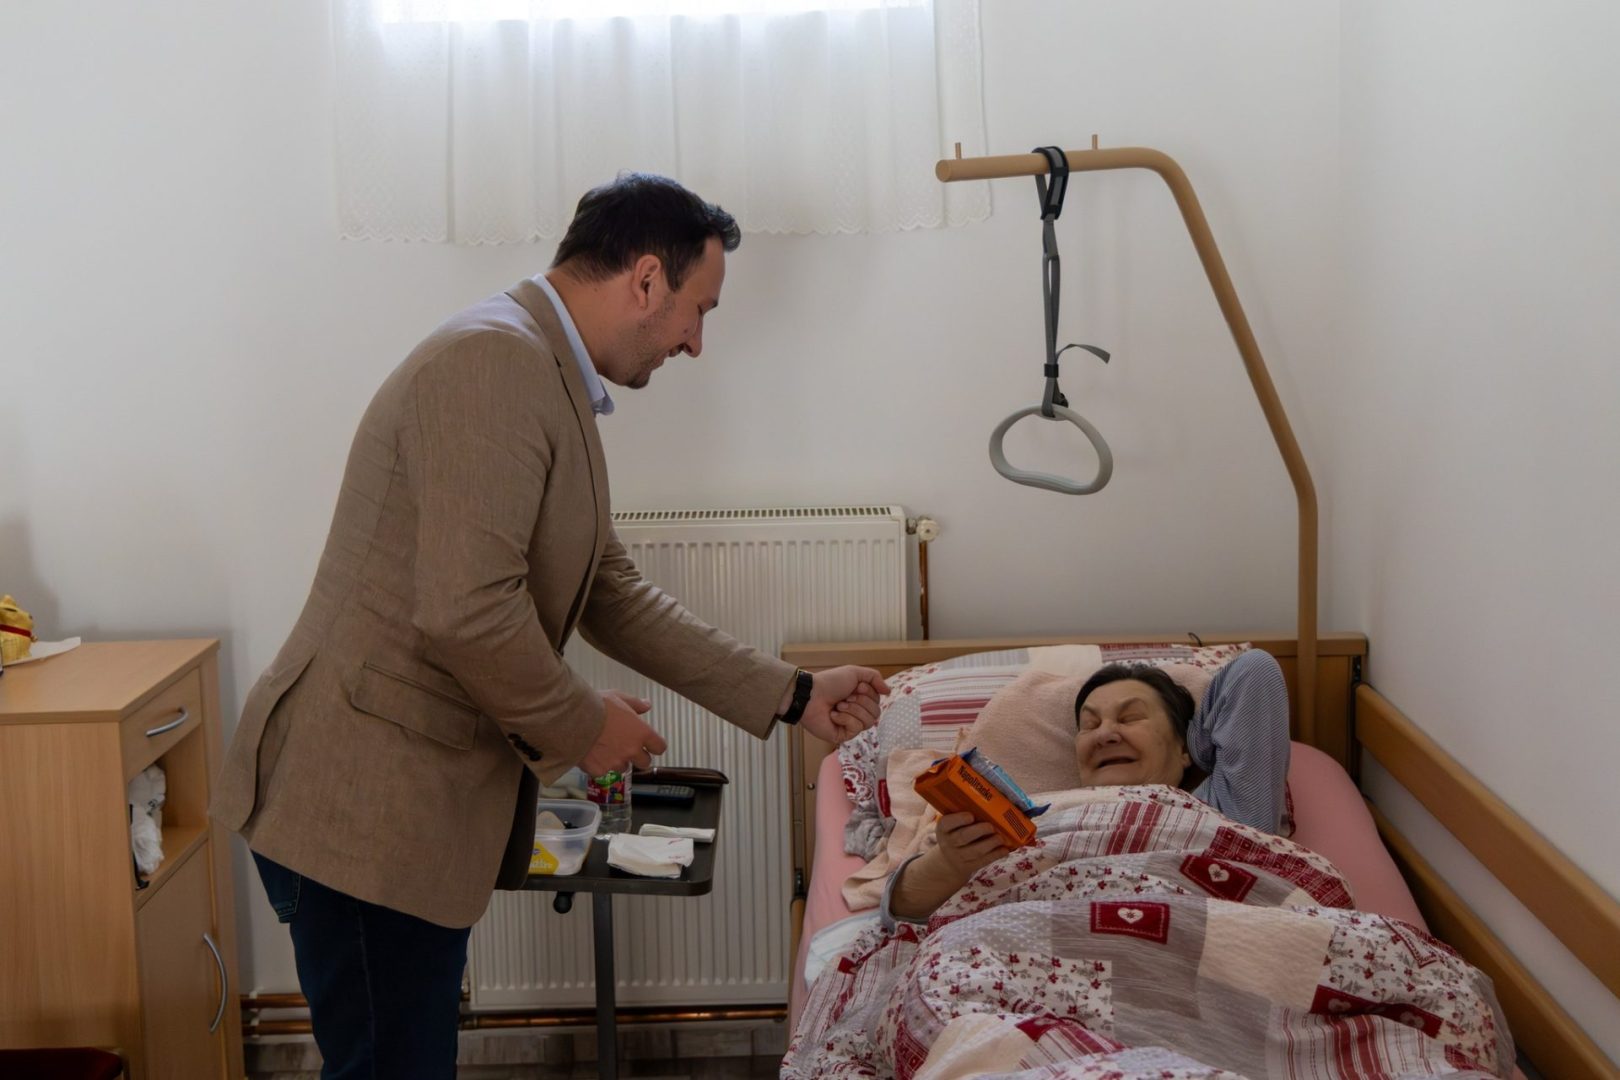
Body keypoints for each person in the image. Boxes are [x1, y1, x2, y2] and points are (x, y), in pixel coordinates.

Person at [210, 173, 889, 1079]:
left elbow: (611, 589)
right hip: (360, 807)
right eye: (699, 309)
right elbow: (466, 611)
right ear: (645, 280)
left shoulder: (542, 368)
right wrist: (582, 723)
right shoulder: (492, 365)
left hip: (398, 808)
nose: (696, 342)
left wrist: (793, 694)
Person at [884, 650, 1289, 925]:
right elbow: (899, 911)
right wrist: (951, 863)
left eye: (1130, 718)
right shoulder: (1020, 818)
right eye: (1089, 725)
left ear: (1184, 747)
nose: (1105, 735)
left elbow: (1254, 671)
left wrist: (1194, 748)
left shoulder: (1224, 812)